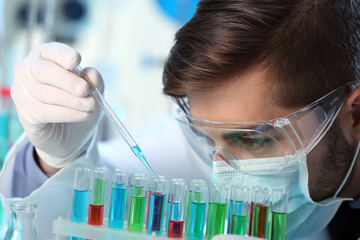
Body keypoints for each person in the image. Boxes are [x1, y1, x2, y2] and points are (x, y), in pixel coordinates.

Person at [0, 0, 359, 239]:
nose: (222, 171)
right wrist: (55, 161)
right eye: (206, 139)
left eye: (252, 139)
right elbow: (114, 188)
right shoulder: (217, 133)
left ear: (355, 115)